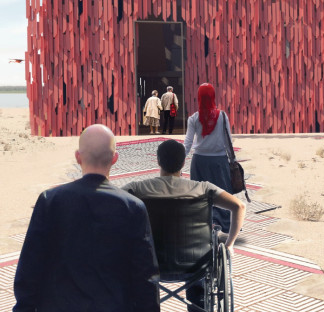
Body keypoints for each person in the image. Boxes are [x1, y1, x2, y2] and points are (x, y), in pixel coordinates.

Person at [13, 124, 159, 312]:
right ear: (115, 159)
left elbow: (30, 267)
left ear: (78, 157)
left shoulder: (50, 201)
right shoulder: (133, 207)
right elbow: (145, 277)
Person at [124, 139, 246, 311]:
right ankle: (198, 305)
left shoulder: (137, 188)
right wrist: (230, 244)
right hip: (195, 265)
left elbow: (112, 203)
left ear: (158, 160)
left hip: (150, 264)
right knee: (203, 261)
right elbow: (239, 206)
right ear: (183, 162)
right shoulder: (203, 189)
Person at [184, 83, 236, 232]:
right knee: (223, 194)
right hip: (219, 161)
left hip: (199, 161)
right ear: (213, 96)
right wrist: (232, 161)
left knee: (200, 195)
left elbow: (188, 143)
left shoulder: (193, 118)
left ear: (199, 97)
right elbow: (228, 141)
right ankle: (223, 225)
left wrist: (179, 162)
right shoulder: (222, 116)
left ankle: (203, 225)